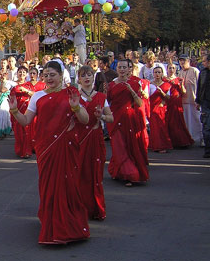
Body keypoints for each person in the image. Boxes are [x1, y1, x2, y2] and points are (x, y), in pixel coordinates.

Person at [8, 60, 90, 244]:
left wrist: (76, 106)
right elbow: (25, 121)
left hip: (66, 146)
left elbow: (85, 120)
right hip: (45, 148)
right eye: (46, 75)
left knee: (67, 185)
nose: (49, 78)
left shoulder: (71, 93)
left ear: (61, 75)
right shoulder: (37, 96)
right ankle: (50, 220)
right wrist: (13, 110)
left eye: (52, 74)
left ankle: (69, 224)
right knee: (48, 186)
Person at [75, 66, 113, 220]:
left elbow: (111, 118)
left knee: (95, 173)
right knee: (78, 174)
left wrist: (101, 117)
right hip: (78, 139)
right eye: (83, 75)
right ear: (78, 79)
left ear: (93, 77)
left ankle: (95, 207)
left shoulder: (101, 97)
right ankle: (79, 208)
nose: (86, 78)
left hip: (95, 138)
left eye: (89, 75)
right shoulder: (74, 97)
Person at [107, 59, 148, 187]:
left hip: (129, 118)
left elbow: (140, 103)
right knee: (118, 146)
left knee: (129, 146)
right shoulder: (111, 85)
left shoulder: (135, 84)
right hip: (115, 119)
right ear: (117, 69)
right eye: (120, 67)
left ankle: (129, 173)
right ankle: (125, 172)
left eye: (125, 67)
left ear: (129, 69)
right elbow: (106, 102)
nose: (122, 69)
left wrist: (131, 90)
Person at [165, 63, 194, 148]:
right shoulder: (164, 79)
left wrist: (181, 85)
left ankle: (181, 141)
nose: (171, 69)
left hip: (177, 101)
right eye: (170, 68)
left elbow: (183, 92)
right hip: (167, 101)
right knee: (168, 121)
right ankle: (169, 141)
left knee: (178, 121)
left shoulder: (179, 79)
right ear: (167, 69)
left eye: (173, 68)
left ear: (175, 69)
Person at [10, 66, 34, 158]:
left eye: (24, 72)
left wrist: (26, 91)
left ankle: (27, 151)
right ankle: (20, 150)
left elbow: (34, 94)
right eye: (20, 72)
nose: (22, 74)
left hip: (27, 109)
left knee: (27, 131)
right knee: (18, 131)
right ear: (17, 73)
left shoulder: (29, 85)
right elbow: (11, 96)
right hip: (17, 108)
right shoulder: (13, 85)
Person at [178, 55, 202, 145]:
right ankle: (189, 138)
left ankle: (201, 138)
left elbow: (200, 85)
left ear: (188, 61)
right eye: (180, 61)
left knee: (197, 120)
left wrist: (199, 99)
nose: (182, 63)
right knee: (187, 121)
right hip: (184, 100)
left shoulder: (195, 71)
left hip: (194, 100)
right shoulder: (180, 72)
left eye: (184, 61)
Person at [148, 67, 172, 153]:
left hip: (162, 108)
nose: (157, 74)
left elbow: (168, 97)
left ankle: (162, 145)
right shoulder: (149, 85)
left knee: (162, 127)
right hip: (152, 108)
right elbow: (147, 97)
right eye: (155, 72)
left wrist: (162, 92)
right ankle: (155, 145)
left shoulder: (166, 85)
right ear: (153, 74)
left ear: (162, 73)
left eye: (159, 72)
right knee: (154, 127)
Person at [0, 72, 15, 140]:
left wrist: (3, 82)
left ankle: (2, 133)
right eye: (0, 74)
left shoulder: (10, 83)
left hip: (4, 101)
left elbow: (2, 90)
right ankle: (0, 133)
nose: (2, 76)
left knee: (2, 116)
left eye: (4, 74)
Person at [196, 54, 210, 157]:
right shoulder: (203, 73)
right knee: (206, 126)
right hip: (205, 102)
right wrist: (198, 101)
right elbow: (199, 87)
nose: (203, 63)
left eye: (204, 61)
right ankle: (207, 150)